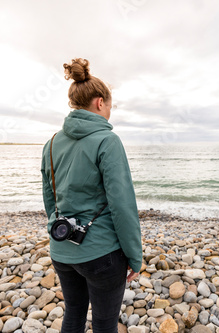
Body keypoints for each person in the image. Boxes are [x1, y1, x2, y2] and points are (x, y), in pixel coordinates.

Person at [41, 58, 142, 333]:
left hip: (61, 249)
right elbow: (122, 205)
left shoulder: (51, 143)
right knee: (104, 324)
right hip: (102, 255)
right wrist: (135, 254)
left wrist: (58, 231)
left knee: (73, 313)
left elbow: (50, 201)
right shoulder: (108, 141)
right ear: (100, 103)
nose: (111, 111)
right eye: (111, 105)